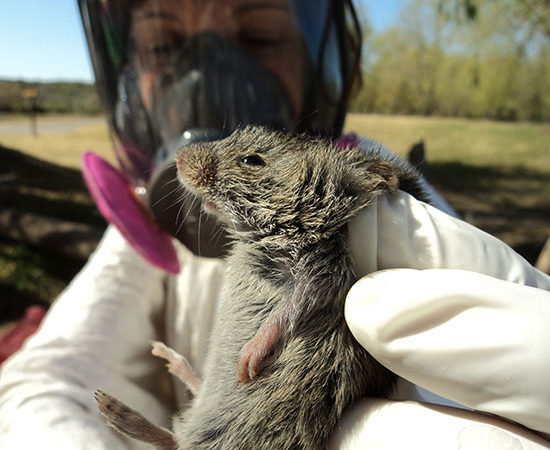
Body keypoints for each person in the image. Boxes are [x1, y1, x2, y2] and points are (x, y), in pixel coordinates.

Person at [1, 1, 549, 448]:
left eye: (260, 37)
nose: (203, 72)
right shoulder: (154, 230)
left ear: (335, 67)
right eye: (166, 45)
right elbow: (51, 373)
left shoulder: (371, 205)